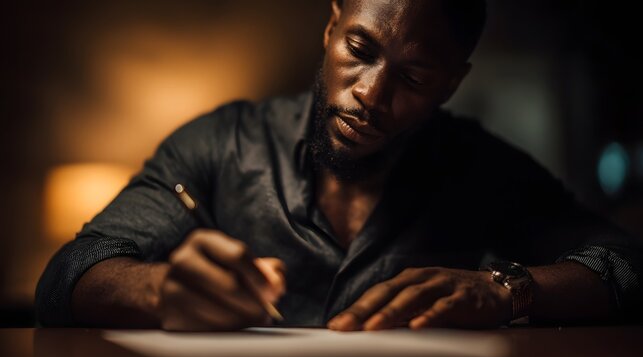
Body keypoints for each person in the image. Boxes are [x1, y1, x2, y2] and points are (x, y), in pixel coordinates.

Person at [36, 0, 642, 331]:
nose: (370, 96)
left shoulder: (484, 170)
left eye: (412, 77)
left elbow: (627, 266)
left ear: (451, 85)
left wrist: (508, 291)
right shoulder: (221, 143)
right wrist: (161, 292)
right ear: (331, 28)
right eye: (360, 49)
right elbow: (68, 275)